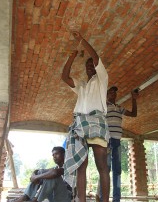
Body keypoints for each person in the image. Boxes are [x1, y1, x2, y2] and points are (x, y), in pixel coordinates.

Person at [61, 31, 110, 202]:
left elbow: (96, 58)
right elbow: (64, 77)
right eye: (87, 66)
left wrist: (82, 40)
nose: (90, 67)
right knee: (81, 166)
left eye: (92, 65)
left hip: (97, 123)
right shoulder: (82, 85)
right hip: (80, 125)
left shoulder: (102, 79)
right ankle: (80, 200)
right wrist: (72, 56)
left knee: (101, 165)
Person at [98, 86, 139, 202]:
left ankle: (117, 199)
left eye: (115, 92)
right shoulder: (104, 107)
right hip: (107, 141)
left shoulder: (119, 108)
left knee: (117, 171)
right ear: (107, 95)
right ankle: (103, 199)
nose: (113, 94)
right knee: (106, 170)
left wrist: (134, 99)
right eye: (110, 92)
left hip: (117, 142)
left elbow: (134, 114)